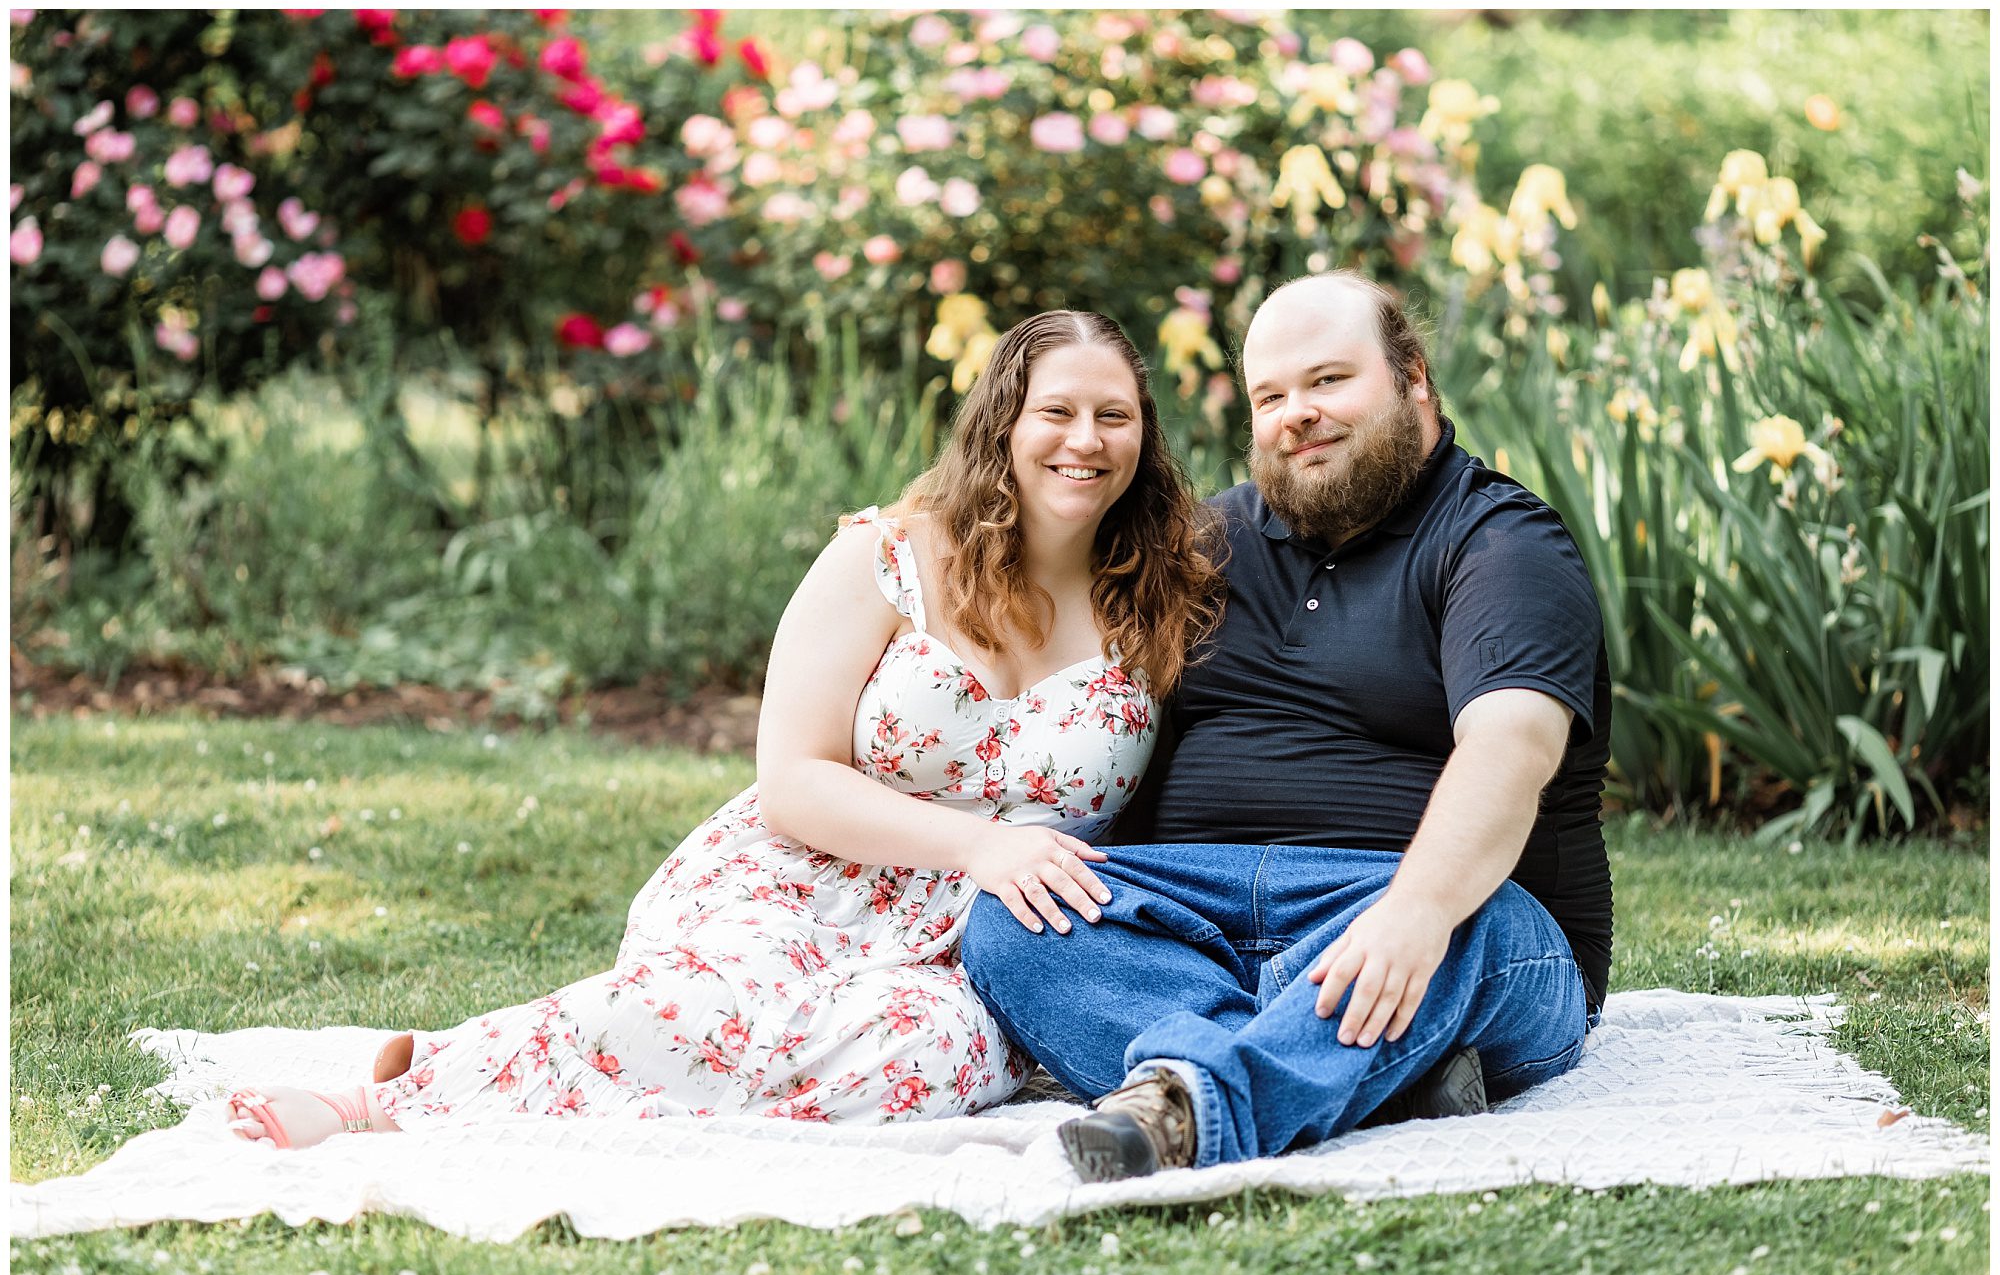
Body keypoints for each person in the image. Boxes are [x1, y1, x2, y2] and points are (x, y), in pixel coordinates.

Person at [224, 310, 1224, 1148]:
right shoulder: (886, 557)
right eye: (1056, 410)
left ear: (1144, 436)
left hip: (982, 942)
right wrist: (979, 845)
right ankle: (401, 1095)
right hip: (807, 873)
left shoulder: (1161, 601)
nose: (1085, 439)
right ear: (1002, 421)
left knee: (919, 1061)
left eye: (1114, 416)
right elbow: (792, 778)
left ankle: (585, 1085)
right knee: (714, 1004)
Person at [960, 271, 1614, 1182]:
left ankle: (1187, 1107)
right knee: (1014, 916)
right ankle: (1366, 1069)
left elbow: (1512, 747)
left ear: (1414, 378)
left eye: (1329, 381)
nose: (1297, 414)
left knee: (1475, 925)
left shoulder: (1501, 542)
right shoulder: (1206, 543)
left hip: (1413, 902)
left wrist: (1417, 910)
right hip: (1200, 908)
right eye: (1270, 396)